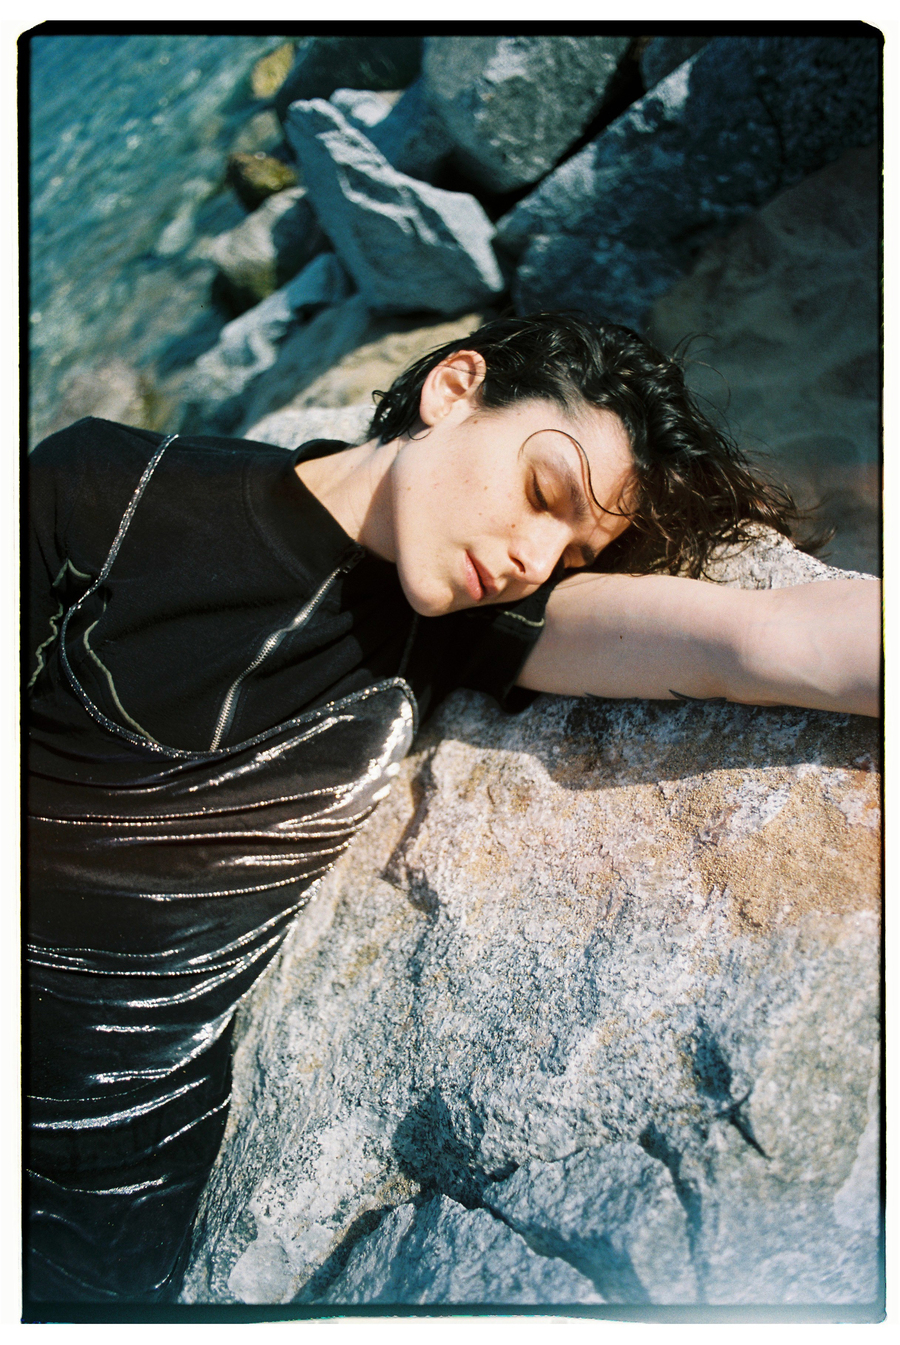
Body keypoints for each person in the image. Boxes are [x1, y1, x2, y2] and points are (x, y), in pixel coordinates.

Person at [25, 312, 880, 1307]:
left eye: (570, 553)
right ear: (453, 388)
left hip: (109, 1185)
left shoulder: (466, 623)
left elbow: (756, 639)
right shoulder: (103, 489)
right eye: (543, 493)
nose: (534, 557)